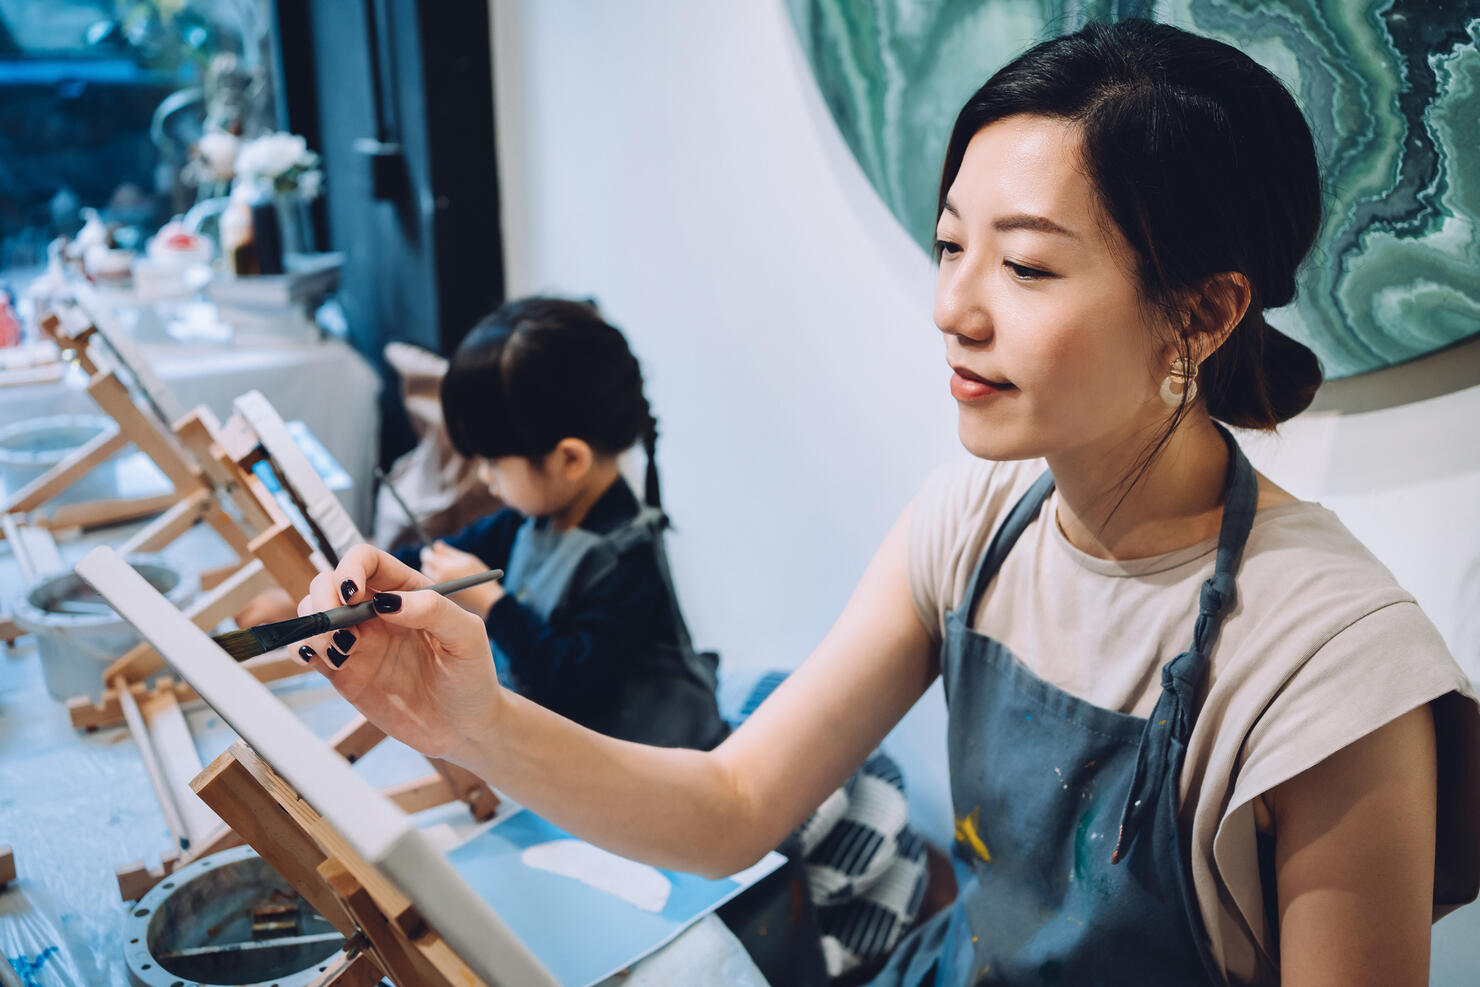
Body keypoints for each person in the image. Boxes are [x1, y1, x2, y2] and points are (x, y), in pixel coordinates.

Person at [291, 20, 1479, 985]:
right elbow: (731, 806)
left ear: (1204, 314)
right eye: (949, 245)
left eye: (1022, 265)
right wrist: (470, 716)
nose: (953, 308)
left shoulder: (1331, 679)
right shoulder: (973, 519)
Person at [328, 297, 729, 752]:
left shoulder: (627, 559)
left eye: (493, 464)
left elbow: (573, 686)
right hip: (576, 747)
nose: (484, 478)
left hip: (659, 756)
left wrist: (493, 606)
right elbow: (431, 556)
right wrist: (362, 576)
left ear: (569, 460)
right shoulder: (530, 519)